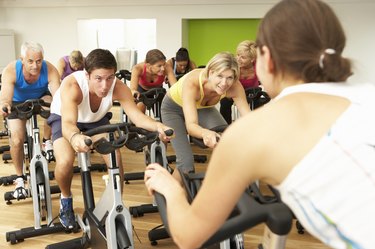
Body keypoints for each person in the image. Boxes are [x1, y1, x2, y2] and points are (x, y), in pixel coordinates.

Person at [144, 0, 375, 248]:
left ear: (267, 60)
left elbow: (188, 237)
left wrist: (170, 190)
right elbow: (198, 124)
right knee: (190, 158)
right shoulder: (369, 95)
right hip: (175, 108)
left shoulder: (249, 129)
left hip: (208, 112)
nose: (226, 81)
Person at [47, 48, 172, 229]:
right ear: (87, 75)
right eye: (98, 78)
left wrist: (159, 126)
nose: (105, 86)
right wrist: (74, 138)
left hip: (95, 121)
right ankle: (66, 199)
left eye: (110, 78)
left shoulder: (118, 87)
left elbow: (137, 117)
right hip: (64, 118)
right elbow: (68, 123)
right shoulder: (72, 86)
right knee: (65, 162)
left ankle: (115, 204)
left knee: (116, 158)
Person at [160, 51, 250, 183]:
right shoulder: (193, 83)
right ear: (210, 72)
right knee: (185, 162)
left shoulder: (235, 87)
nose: (224, 83)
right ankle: (165, 199)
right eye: (220, 76)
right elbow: (191, 127)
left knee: (227, 146)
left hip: (203, 108)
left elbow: (250, 119)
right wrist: (205, 133)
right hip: (173, 109)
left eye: (230, 77)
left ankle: (225, 192)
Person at [0, 42, 60, 200]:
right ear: (22, 59)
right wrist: (5, 104)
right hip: (16, 102)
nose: (35, 65)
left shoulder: (50, 69)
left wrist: (62, 105)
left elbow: (58, 94)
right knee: (17, 140)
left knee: (53, 107)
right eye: (31, 61)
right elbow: (6, 95)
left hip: (40, 97)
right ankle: (20, 179)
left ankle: (47, 142)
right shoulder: (11, 70)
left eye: (39, 61)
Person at [220, 40, 259, 124]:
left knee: (259, 101)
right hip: (234, 90)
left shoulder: (259, 66)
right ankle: (225, 127)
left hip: (252, 92)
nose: (238, 59)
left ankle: (256, 125)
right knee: (224, 101)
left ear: (252, 59)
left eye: (243, 57)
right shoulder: (233, 65)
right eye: (238, 55)